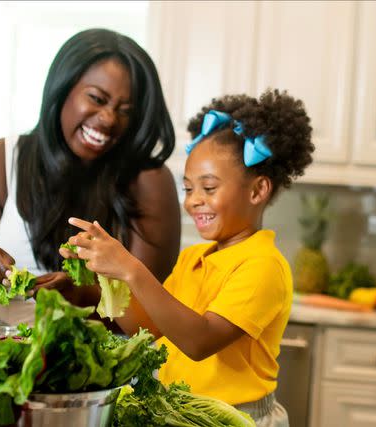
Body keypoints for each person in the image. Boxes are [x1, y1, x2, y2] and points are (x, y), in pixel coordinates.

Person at [63, 89, 314, 426]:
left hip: (237, 418)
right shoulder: (194, 257)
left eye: (208, 188)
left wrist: (131, 268)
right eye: (188, 188)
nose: (194, 200)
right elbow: (150, 329)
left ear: (257, 191)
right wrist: (106, 274)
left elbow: (199, 340)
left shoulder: (263, 265)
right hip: (184, 414)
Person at [0, 28, 181, 326]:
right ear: (61, 88)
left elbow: (152, 322)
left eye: (125, 111)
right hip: (8, 363)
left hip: (107, 368)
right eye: (97, 98)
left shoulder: (151, 182)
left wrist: (86, 294)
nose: (108, 119)